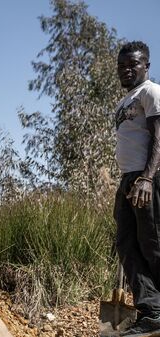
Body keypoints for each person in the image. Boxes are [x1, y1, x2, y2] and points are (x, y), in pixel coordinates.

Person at [113, 41, 160, 335]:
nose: (127, 70)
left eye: (133, 64)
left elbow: (159, 139)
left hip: (148, 179)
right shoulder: (124, 101)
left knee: (153, 244)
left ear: (147, 66)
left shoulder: (152, 92)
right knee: (127, 244)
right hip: (128, 179)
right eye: (122, 66)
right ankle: (152, 312)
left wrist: (147, 177)